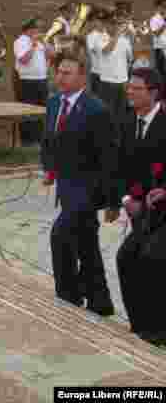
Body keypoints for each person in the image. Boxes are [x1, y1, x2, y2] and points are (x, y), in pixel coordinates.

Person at [41, 47, 118, 316]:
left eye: (67, 73)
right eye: (58, 72)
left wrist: (112, 201)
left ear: (83, 77)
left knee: (60, 234)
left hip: (88, 188)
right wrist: (49, 169)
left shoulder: (97, 110)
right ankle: (101, 302)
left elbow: (108, 158)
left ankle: (68, 295)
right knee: (86, 243)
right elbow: (49, 140)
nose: (60, 78)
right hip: (66, 185)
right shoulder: (53, 103)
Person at [116, 68, 166, 344]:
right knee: (126, 258)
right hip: (142, 212)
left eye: (137, 88)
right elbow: (119, 168)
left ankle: (159, 330)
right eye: (129, 88)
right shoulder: (127, 123)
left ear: (153, 92)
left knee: (153, 259)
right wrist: (126, 200)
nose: (130, 92)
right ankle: (140, 325)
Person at [14, 18, 49, 145]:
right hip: (28, 82)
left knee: (41, 111)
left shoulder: (38, 42)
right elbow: (24, 60)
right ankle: (27, 141)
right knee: (28, 111)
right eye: (36, 29)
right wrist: (33, 45)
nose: (38, 31)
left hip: (42, 80)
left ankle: (40, 140)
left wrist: (45, 44)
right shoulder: (20, 42)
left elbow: (51, 55)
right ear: (29, 29)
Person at [99, 15, 134, 137]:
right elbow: (107, 50)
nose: (116, 26)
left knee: (122, 113)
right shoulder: (102, 38)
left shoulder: (125, 40)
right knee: (108, 114)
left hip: (122, 82)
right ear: (107, 26)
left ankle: (120, 138)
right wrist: (117, 35)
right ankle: (107, 138)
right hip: (107, 83)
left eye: (118, 24)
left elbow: (130, 58)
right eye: (113, 24)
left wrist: (132, 35)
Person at [86, 14, 108, 94]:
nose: (101, 23)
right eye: (99, 21)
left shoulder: (109, 35)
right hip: (97, 72)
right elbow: (93, 51)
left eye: (103, 21)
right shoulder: (91, 36)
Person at [150, 0, 166, 82]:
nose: (164, 8)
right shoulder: (154, 19)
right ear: (158, 7)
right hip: (160, 49)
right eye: (163, 6)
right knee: (161, 72)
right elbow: (156, 33)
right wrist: (164, 24)